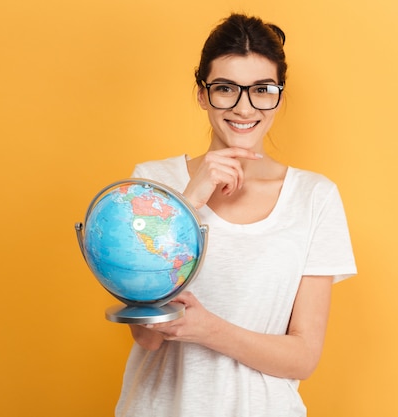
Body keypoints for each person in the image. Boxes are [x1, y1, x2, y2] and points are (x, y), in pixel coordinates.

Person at [115, 13, 356, 417]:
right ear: (202, 93)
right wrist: (189, 203)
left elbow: (302, 358)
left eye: (261, 89)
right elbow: (146, 335)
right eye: (226, 88)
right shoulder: (153, 185)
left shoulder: (315, 197)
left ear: (278, 95)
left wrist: (210, 330)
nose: (244, 108)